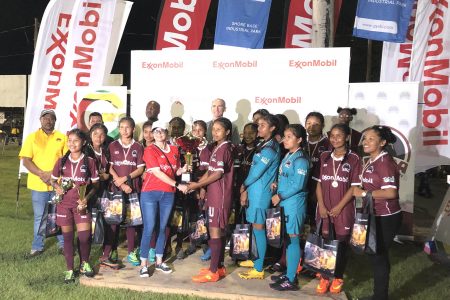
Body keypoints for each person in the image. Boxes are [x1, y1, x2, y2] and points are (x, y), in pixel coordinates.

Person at [353, 125, 401, 300]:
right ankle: (379, 296)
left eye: (371, 139)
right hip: (373, 213)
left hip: (386, 217)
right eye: (365, 138)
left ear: (382, 142)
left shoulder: (385, 163)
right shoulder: (371, 160)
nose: (365, 142)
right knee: (375, 255)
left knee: (378, 256)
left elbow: (391, 193)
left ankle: (380, 297)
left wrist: (365, 193)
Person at [313, 123, 362, 294]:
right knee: (326, 242)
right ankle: (325, 276)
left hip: (343, 210)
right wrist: (322, 205)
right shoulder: (325, 156)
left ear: (347, 137)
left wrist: (339, 206)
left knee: (341, 244)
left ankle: (338, 276)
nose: (334, 139)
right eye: (332, 135)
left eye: (339, 135)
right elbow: (319, 184)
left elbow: (353, 187)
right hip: (324, 209)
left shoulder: (354, 158)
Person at [138, 121, 188, 277]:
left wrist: (183, 169)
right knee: (150, 227)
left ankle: (159, 261)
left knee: (163, 227)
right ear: (152, 134)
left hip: (168, 193)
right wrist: (177, 184)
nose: (159, 133)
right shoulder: (149, 150)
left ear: (167, 132)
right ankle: (144, 264)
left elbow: (174, 170)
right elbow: (157, 172)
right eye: (156, 131)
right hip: (150, 192)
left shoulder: (174, 149)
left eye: (162, 131)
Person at [187, 117, 234, 283]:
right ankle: (218, 267)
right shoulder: (216, 147)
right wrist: (198, 185)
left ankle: (213, 271)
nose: (215, 132)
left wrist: (197, 185)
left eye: (219, 129)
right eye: (213, 129)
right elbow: (210, 171)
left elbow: (218, 173)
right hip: (214, 195)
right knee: (217, 232)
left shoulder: (225, 148)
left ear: (227, 132)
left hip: (220, 197)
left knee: (215, 231)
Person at [50, 129, 99, 283]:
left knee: (84, 237)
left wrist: (86, 199)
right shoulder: (61, 161)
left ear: (83, 142)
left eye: (75, 140)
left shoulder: (90, 161)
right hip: (64, 205)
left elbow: (96, 185)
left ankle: (84, 263)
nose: (72, 143)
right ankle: (70, 269)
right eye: (69, 140)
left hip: (81, 206)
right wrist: (56, 187)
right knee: (68, 238)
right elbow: (52, 180)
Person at [19, 109, 67, 257]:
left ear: (55, 120)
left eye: (51, 118)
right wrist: (42, 174)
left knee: (60, 215)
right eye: (45, 118)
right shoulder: (32, 138)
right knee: (41, 217)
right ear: (40, 120)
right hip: (38, 185)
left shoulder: (62, 137)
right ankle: (37, 246)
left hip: (57, 185)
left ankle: (63, 245)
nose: (48, 121)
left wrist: (52, 176)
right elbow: (26, 160)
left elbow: (65, 160)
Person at [238, 114, 280, 280]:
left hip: (261, 192)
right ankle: (255, 258)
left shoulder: (270, 148)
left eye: (262, 125)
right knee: (255, 227)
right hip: (256, 191)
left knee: (259, 227)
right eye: (258, 125)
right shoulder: (264, 144)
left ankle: (259, 267)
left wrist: (244, 185)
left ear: (272, 128)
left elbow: (256, 172)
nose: (259, 128)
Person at [269, 124, 309, 291]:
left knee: (293, 240)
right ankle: (289, 273)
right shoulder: (288, 156)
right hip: (285, 204)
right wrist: (277, 184)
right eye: (284, 136)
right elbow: (288, 178)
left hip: (294, 205)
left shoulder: (301, 159)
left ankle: (292, 279)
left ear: (299, 139)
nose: (285, 140)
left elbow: (299, 184)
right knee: (287, 240)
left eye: (289, 137)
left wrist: (280, 195)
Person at [109, 117, 145, 266]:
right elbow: (110, 168)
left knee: (132, 221)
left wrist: (125, 178)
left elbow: (141, 168)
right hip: (116, 189)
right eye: (121, 127)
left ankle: (131, 251)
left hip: (132, 189)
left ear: (133, 129)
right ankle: (112, 250)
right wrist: (119, 181)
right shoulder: (112, 145)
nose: (124, 130)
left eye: (127, 127)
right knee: (114, 221)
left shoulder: (138, 147)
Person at [86, 123, 118, 269]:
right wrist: (100, 176)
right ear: (90, 135)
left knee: (111, 223)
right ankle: (85, 260)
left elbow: (110, 169)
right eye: (95, 134)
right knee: (88, 227)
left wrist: (107, 176)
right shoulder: (85, 150)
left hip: (106, 192)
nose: (98, 137)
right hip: (90, 193)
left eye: (102, 134)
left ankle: (105, 255)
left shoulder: (107, 150)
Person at [305, 112, 331, 227]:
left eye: (316, 124)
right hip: (301, 188)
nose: (311, 127)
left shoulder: (328, 144)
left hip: (320, 189)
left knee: (316, 223)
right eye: (309, 123)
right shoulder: (300, 142)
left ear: (322, 126)